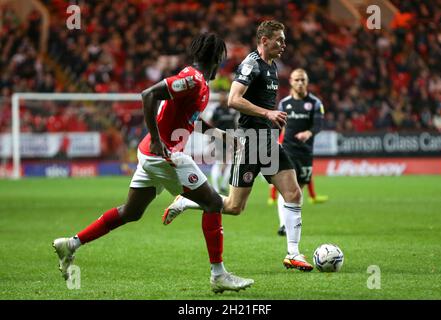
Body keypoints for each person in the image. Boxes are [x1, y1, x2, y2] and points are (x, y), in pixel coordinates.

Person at [52, 33, 254, 294]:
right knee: (213, 203)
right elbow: (148, 94)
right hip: (163, 154)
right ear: (217, 58)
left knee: (131, 212)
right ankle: (219, 274)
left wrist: (219, 135)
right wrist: (159, 141)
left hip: (151, 154)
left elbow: (190, 119)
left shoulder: (198, 82)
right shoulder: (192, 79)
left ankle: (71, 244)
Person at [162, 21, 313, 272]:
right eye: (279, 40)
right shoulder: (251, 64)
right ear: (264, 40)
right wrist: (268, 114)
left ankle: (293, 254)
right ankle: (187, 200)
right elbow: (233, 99)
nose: (284, 44)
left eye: (284, 39)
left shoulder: (272, 67)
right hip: (251, 142)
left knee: (294, 193)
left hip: (267, 142)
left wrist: (270, 121)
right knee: (234, 207)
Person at [273, 68, 328, 237]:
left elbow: (318, 125)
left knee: (298, 190)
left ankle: (291, 221)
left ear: (307, 82)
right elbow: (277, 125)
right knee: (286, 188)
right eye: (297, 80)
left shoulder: (315, 103)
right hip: (287, 150)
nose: (300, 83)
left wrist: (308, 133)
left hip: (305, 152)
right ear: (290, 81)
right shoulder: (284, 103)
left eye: (303, 80)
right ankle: (283, 224)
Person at [209, 92, 238, 194]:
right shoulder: (216, 111)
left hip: (230, 140)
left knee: (230, 163)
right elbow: (211, 124)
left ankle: (223, 185)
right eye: (222, 97)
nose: (223, 99)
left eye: (225, 97)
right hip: (218, 140)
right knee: (219, 163)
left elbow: (234, 125)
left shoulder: (231, 111)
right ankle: (216, 188)